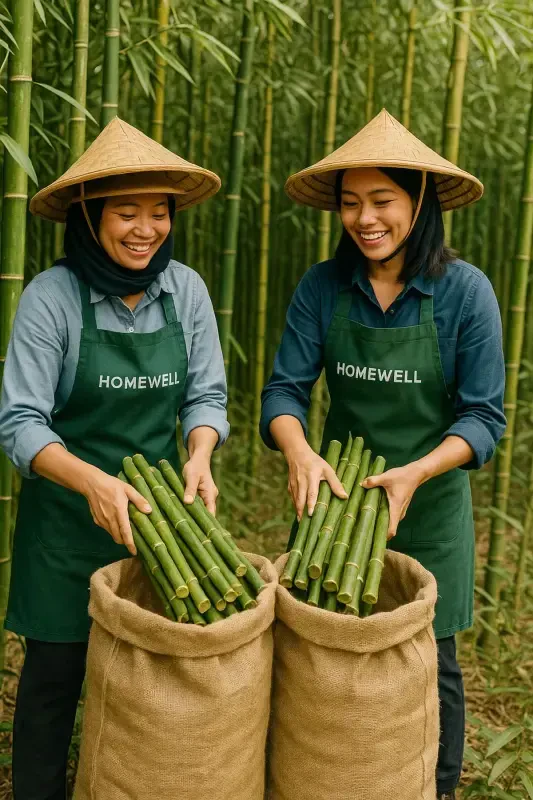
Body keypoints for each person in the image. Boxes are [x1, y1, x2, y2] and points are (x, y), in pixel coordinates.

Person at [260, 109, 506, 800]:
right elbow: (282, 391)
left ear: (418, 201)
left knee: (433, 663)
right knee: (316, 651)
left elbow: (483, 418)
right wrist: (300, 451)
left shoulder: (465, 293)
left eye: (381, 201)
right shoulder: (321, 287)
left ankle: (436, 787)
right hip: (334, 505)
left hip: (426, 507)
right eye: (349, 203)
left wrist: (419, 470)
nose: (363, 218)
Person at [0, 117, 228, 799]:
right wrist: (91, 483)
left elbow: (206, 396)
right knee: (51, 688)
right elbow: (20, 421)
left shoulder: (184, 290)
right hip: (66, 525)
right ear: (90, 217)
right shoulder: (52, 297)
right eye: (126, 212)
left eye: (159, 212)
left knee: (143, 685)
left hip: (161, 527)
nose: (145, 228)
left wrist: (199, 453)